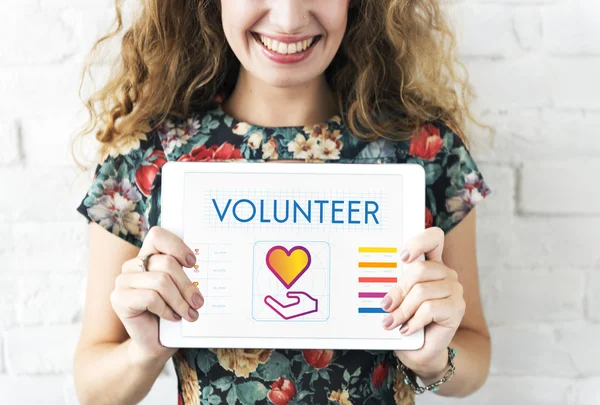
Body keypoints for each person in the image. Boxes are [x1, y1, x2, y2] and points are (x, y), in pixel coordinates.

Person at [71, 1, 492, 404]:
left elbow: (475, 356)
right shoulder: (147, 156)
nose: (289, 19)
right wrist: (144, 351)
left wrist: (433, 359)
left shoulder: (428, 151)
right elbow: (93, 388)